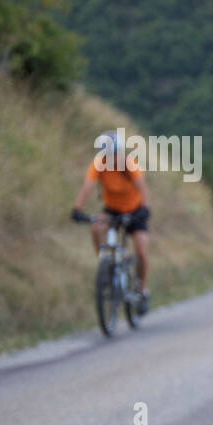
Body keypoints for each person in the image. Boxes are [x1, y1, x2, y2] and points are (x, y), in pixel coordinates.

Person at [71, 132, 152, 313]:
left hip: (135, 209)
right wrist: (78, 209)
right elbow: (88, 186)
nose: (110, 158)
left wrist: (145, 208)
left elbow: (143, 188)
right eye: (106, 153)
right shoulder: (98, 165)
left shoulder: (129, 164)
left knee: (141, 251)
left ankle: (143, 289)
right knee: (96, 228)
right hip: (113, 209)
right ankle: (105, 264)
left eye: (114, 153)